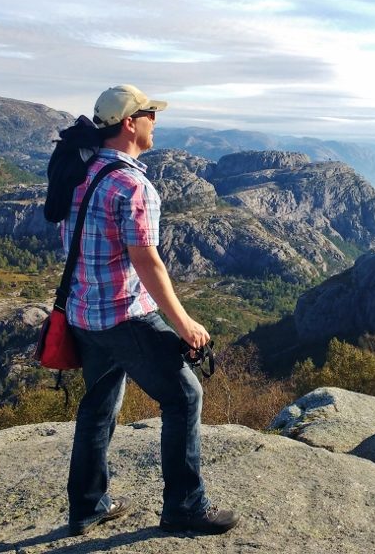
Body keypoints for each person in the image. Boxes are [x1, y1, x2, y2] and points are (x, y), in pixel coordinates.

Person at [64, 84, 239, 536]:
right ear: (129, 123)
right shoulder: (132, 185)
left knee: (98, 406)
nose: (155, 122)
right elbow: (147, 261)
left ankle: (87, 506)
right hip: (124, 316)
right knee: (184, 397)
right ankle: (184, 506)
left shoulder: (80, 173)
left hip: (84, 314)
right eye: (150, 114)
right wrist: (185, 324)